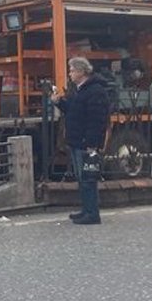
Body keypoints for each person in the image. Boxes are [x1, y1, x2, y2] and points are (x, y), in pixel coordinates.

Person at [50, 57, 110, 225]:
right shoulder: (81, 90)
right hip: (77, 140)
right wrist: (59, 102)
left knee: (88, 178)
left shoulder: (95, 91)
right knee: (82, 178)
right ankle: (86, 209)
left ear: (82, 72)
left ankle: (92, 213)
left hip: (86, 142)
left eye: (72, 70)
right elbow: (73, 111)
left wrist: (91, 142)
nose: (70, 74)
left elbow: (97, 119)